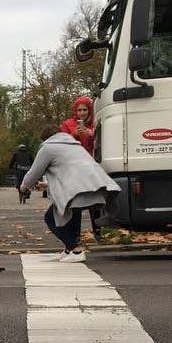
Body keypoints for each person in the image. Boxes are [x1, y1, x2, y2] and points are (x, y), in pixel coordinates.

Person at [20, 124, 121, 263]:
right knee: (72, 217)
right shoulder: (75, 146)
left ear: (46, 138)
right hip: (95, 186)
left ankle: (76, 249)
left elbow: (34, 173)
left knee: (51, 219)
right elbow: (71, 170)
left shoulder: (48, 147)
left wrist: (23, 187)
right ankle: (69, 250)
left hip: (75, 190)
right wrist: (47, 185)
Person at [59, 97, 102, 239]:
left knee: (94, 199)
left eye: (85, 110)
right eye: (79, 110)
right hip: (74, 167)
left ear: (90, 110)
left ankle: (98, 231)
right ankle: (76, 234)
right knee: (76, 201)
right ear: (75, 111)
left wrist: (94, 135)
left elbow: (103, 142)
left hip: (92, 166)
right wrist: (73, 135)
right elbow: (62, 144)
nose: (82, 113)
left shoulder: (96, 123)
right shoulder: (67, 124)